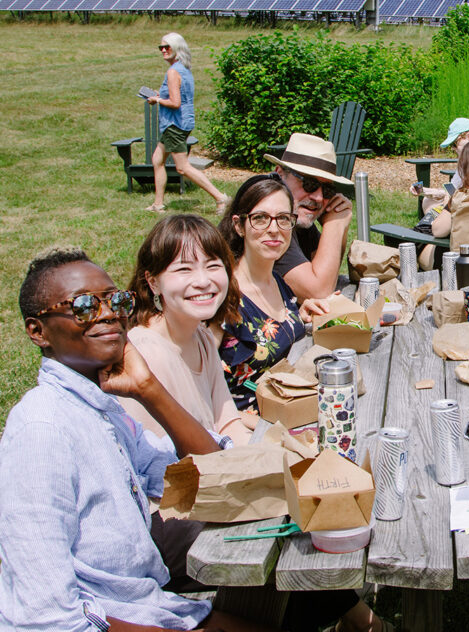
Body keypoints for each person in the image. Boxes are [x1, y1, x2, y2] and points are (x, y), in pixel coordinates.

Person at [0, 247, 244, 631]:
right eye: (83, 306)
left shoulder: (103, 410)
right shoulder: (42, 430)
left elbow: (208, 475)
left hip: (148, 601)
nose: (110, 313)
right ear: (37, 331)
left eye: (116, 300)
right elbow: (48, 616)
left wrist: (149, 389)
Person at [119, 214, 253, 447]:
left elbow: (227, 422)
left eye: (212, 266)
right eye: (184, 270)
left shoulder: (200, 335)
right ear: (153, 282)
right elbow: (161, 463)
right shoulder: (145, 355)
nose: (202, 281)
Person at [218, 174, 332, 411]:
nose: (274, 229)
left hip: (293, 408)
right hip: (250, 427)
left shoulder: (277, 281)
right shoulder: (223, 300)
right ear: (239, 225)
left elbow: (268, 330)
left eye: (283, 218)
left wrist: (297, 316)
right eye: (260, 219)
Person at [264, 133, 354, 301]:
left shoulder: (295, 212)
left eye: (327, 190)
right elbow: (318, 292)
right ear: (280, 174)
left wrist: (339, 223)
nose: (319, 198)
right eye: (309, 184)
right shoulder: (270, 220)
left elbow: (326, 271)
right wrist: (335, 224)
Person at [146, 33, 229, 214]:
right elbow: (179, 99)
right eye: (160, 47)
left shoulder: (173, 72)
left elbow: (175, 103)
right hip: (180, 123)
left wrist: (157, 100)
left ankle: (220, 198)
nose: (163, 50)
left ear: (177, 48)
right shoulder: (183, 69)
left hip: (174, 125)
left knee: (182, 167)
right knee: (157, 160)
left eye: (167, 47)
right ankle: (158, 204)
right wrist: (162, 97)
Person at [417, 138, 469, 270]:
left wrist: (448, 204)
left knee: (410, 244)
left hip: (458, 260)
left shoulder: (463, 197)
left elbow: (438, 231)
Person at [410, 117, 469, 211]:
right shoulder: (466, 159)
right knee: (428, 200)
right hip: (467, 204)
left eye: (454, 144)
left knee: (432, 204)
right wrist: (425, 191)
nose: (453, 148)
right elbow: (451, 190)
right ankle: (433, 221)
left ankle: (435, 223)